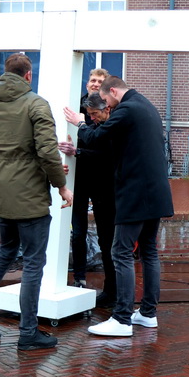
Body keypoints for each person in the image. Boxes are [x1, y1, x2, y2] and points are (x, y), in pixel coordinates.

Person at [0, 54, 73, 351]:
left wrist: (0, 176)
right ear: (28, 75)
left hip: (2, 194)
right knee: (34, 262)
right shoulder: (36, 104)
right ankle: (28, 332)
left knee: (6, 251)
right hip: (30, 196)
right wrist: (61, 186)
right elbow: (47, 152)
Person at [64, 76, 172, 338]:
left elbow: (97, 136)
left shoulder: (127, 109)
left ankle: (122, 318)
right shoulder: (146, 105)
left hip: (135, 193)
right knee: (148, 251)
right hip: (156, 191)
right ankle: (147, 313)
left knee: (121, 252)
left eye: (106, 100)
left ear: (112, 91)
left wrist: (79, 122)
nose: (107, 106)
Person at [59, 90, 117, 306]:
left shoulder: (112, 125)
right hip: (100, 191)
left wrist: (78, 149)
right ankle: (110, 290)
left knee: (111, 242)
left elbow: (107, 155)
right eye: (89, 114)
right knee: (104, 240)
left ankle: (115, 293)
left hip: (110, 192)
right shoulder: (101, 124)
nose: (92, 118)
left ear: (106, 108)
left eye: (94, 114)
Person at [65, 68, 110, 290]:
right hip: (79, 174)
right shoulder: (77, 106)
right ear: (86, 84)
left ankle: (110, 283)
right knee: (78, 231)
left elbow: (102, 145)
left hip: (101, 177)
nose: (95, 83)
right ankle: (79, 277)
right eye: (92, 80)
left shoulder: (109, 111)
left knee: (105, 231)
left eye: (100, 81)